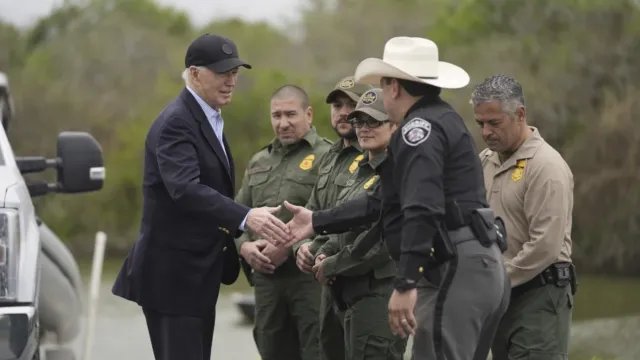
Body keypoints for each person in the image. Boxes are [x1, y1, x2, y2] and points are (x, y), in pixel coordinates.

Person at [282, 36, 510, 360]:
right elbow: (380, 204)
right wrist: (316, 220)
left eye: (383, 83)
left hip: (455, 265)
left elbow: (421, 209)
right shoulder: (438, 119)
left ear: (394, 87)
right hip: (477, 263)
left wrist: (405, 284)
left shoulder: (419, 130)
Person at [111, 34, 290, 360]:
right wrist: (247, 216)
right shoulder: (177, 122)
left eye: (235, 72)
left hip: (196, 279)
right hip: (172, 281)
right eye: (222, 73)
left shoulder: (208, 117)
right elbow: (185, 189)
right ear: (194, 74)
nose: (231, 81)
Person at [472, 74, 576, 360]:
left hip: (539, 294)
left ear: (520, 114)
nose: (486, 132)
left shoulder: (547, 166)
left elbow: (546, 245)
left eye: (494, 123)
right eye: (481, 123)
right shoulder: (486, 160)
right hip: (500, 296)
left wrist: (496, 280)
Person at [234, 84, 332, 360]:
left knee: (318, 351)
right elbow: (236, 214)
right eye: (276, 116)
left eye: (291, 114)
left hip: (309, 278)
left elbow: (336, 216)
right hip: (267, 281)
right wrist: (244, 248)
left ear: (309, 114)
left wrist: (289, 246)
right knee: (270, 350)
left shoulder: (329, 157)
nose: (283, 123)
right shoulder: (258, 161)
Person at [312, 88, 407, 360]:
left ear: (395, 125)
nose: (363, 129)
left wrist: (331, 264)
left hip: (380, 296)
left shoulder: (398, 171)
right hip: (346, 295)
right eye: (359, 122)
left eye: (373, 121)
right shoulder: (360, 169)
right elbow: (345, 223)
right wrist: (324, 251)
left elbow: (383, 242)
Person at [292, 75, 372, 360]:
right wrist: (301, 248)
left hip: (366, 282)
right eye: (337, 105)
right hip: (329, 286)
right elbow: (313, 212)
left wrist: (319, 250)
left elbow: (369, 224)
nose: (343, 112)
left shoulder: (378, 156)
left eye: (351, 105)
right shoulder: (330, 156)